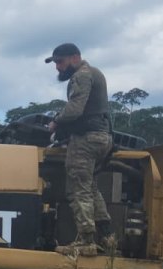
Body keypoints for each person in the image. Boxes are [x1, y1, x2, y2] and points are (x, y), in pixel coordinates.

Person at [45, 43, 114, 256]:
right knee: (91, 187)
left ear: (75, 58)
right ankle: (108, 238)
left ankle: (86, 241)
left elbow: (75, 109)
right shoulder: (95, 73)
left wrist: (55, 122)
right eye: (55, 62)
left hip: (86, 139)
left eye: (60, 62)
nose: (58, 67)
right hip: (102, 137)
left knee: (78, 189)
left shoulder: (81, 76)